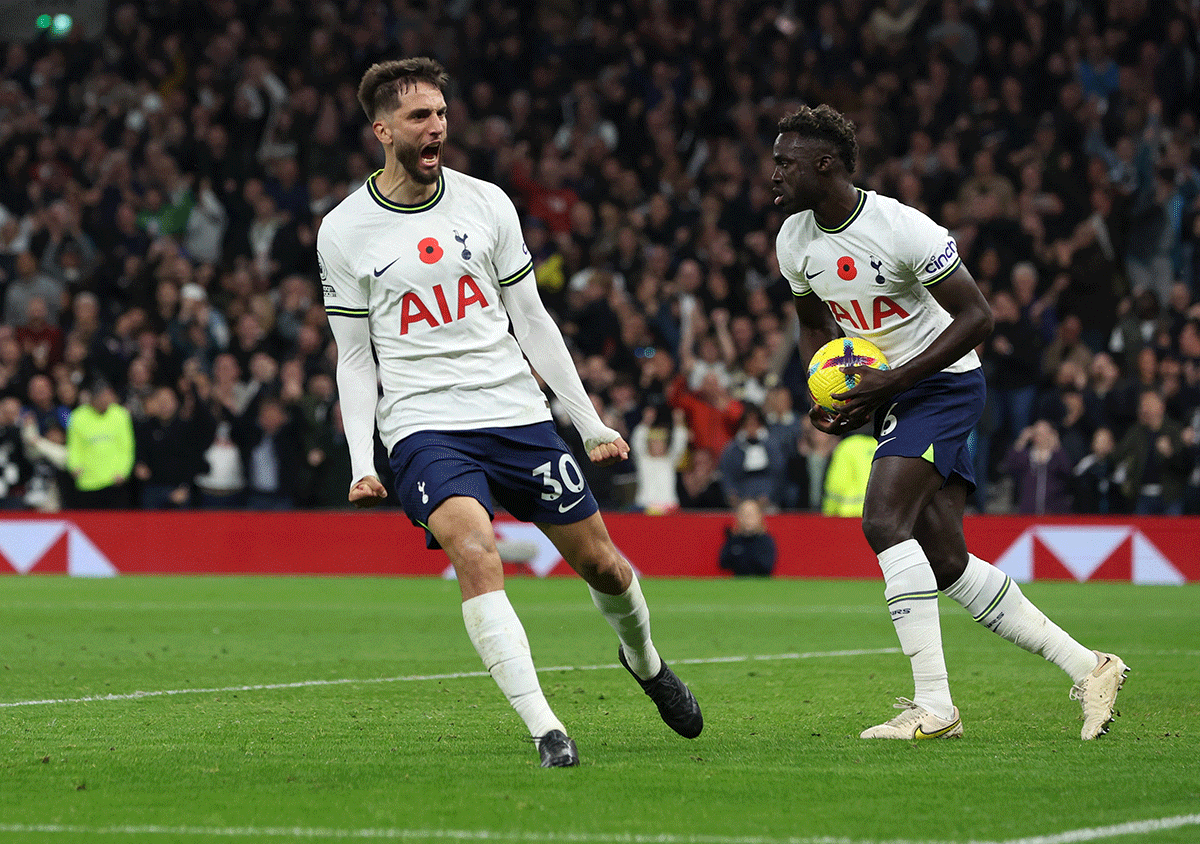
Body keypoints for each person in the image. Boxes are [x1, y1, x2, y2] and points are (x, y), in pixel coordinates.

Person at [318, 57, 701, 768]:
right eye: (419, 118)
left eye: (440, 113)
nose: (437, 128)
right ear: (382, 131)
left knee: (607, 568)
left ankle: (646, 662)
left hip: (516, 413)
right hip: (424, 424)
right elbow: (354, 356)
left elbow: (531, 317)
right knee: (474, 549)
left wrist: (587, 421)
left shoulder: (487, 202)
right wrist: (363, 463)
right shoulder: (344, 230)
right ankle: (547, 729)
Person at [772, 103, 1127, 741]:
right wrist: (827, 391)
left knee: (882, 520)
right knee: (943, 559)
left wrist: (891, 383)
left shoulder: (902, 228)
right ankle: (1090, 666)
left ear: (824, 164)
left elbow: (979, 317)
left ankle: (934, 706)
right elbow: (812, 327)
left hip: (943, 383)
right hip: (891, 390)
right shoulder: (793, 240)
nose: (773, 175)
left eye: (785, 163)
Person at [65, 377, 135, 509]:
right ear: (92, 397)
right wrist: (74, 466)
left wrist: (124, 471)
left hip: (114, 480)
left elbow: (127, 447)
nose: (106, 399)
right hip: (88, 481)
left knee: (115, 525)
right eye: (102, 396)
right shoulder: (78, 416)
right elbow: (74, 446)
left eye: (108, 395)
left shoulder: (120, 415)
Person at [718, 498, 776, 577]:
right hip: (738, 584)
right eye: (744, 514)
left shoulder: (765, 541)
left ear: (759, 517)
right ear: (739, 517)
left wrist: (740, 554)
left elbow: (766, 567)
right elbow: (723, 563)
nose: (748, 518)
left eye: (751, 514)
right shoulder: (734, 540)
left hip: (761, 585)